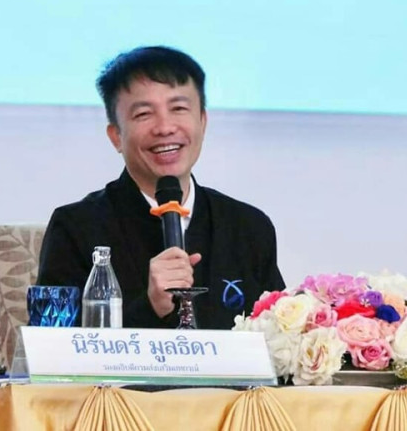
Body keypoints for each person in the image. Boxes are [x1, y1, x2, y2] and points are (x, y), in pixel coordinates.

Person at [36, 46, 285, 328]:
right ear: (116, 136)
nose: (165, 128)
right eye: (144, 114)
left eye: (178, 109)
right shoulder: (75, 227)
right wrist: (149, 306)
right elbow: (53, 345)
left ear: (202, 122)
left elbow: (276, 340)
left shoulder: (249, 227)